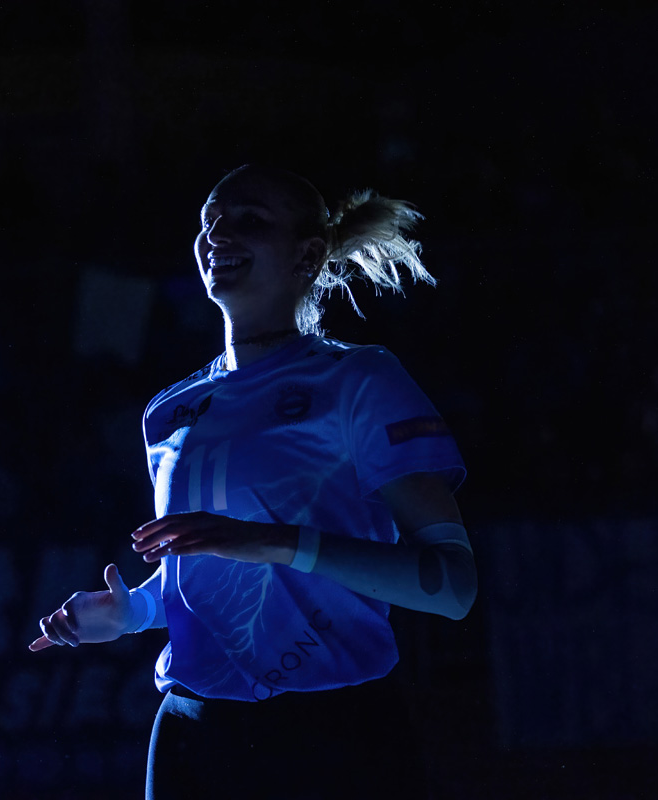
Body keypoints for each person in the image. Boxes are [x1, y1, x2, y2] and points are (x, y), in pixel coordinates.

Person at [29, 165, 476, 799]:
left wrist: (272, 541)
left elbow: (452, 588)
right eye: (210, 221)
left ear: (308, 255)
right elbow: (202, 578)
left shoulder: (360, 382)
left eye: (250, 220)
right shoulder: (169, 412)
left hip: (336, 738)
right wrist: (135, 611)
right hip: (192, 733)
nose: (218, 235)